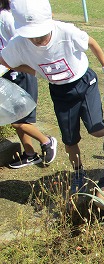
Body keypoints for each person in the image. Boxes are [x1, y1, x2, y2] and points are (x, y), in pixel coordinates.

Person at [0, 0, 104, 193]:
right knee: (70, 141)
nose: (37, 40)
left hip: (84, 82)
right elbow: (5, 60)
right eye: (32, 36)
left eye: (41, 34)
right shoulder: (18, 44)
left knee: (96, 129)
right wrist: (33, 71)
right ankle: (78, 173)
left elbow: (91, 42)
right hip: (60, 92)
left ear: (50, 18)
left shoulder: (66, 31)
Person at [0, 0, 57, 169]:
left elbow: (20, 44)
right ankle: (30, 154)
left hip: (19, 72)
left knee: (18, 120)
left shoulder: (5, 17)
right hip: (8, 72)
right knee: (14, 116)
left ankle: (46, 141)